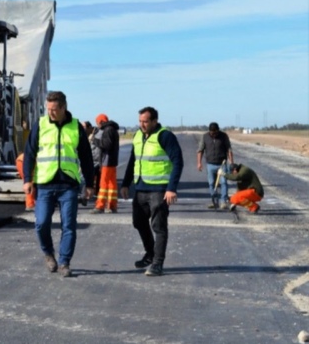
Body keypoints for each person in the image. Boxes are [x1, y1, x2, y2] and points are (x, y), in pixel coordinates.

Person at [23, 91, 95, 278]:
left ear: (64, 107)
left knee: (69, 226)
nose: (51, 113)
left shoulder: (75, 127)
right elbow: (29, 153)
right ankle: (48, 253)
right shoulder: (41, 124)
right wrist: (27, 180)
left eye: (54, 109)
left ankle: (64, 262)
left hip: (69, 186)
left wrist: (89, 184)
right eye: (48, 109)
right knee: (41, 223)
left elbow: (86, 157)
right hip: (45, 184)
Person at [121, 106, 183, 277]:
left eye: (146, 121)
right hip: (140, 188)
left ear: (154, 121)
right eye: (140, 121)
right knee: (138, 222)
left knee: (159, 226)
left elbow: (178, 161)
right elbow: (133, 160)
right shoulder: (138, 136)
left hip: (159, 189)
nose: (142, 125)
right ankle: (150, 253)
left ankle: (157, 264)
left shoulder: (165, 136)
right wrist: (126, 183)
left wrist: (171, 188)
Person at [197, 122, 234, 209]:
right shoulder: (205, 137)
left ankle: (223, 201)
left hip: (222, 164)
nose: (214, 134)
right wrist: (199, 163)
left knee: (224, 182)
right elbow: (200, 150)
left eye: (215, 133)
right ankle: (214, 201)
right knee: (211, 183)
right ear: (209, 131)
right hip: (210, 164)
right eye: (212, 133)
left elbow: (229, 150)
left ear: (218, 130)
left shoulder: (224, 136)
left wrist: (231, 163)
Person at [92, 113, 120, 214]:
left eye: (97, 123)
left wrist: (95, 140)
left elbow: (106, 145)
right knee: (112, 184)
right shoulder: (113, 129)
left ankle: (100, 205)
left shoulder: (107, 130)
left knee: (103, 184)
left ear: (101, 122)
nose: (98, 126)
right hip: (112, 161)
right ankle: (112, 205)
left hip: (106, 161)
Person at [83, 120, 101, 208]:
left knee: (95, 180)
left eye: (84, 128)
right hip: (91, 160)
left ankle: (94, 196)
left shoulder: (97, 134)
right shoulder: (85, 135)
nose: (83, 129)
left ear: (89, 127)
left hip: (96, 160)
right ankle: (85, 197)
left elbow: (99, 147)